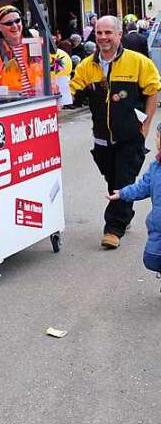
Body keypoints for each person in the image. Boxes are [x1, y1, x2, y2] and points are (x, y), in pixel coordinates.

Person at [70, 15, 161, 249]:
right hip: (101, 137)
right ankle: (125, 211)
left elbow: (153, 90)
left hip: (130, 135)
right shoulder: (86, 66)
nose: (103, 37)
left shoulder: (138, 62)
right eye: (99, 33)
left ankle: (113, 228)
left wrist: (146, 125)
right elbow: (73, 91)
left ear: (119, 35)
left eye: (108, 33)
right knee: (113, 180)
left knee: (123, 177)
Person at [107, 125, 161, 274]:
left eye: (157, 137)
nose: (155, 139)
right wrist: (123, 193)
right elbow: (142, 187)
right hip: (158, 224)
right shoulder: (156, 167)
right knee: (152, 258)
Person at [0, 5, 40, 97]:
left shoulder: (34, 40)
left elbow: (49, 67)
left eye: (17, 21)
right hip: (9, 104)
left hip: (38, 100)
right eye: (9, 23)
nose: (15, 26)